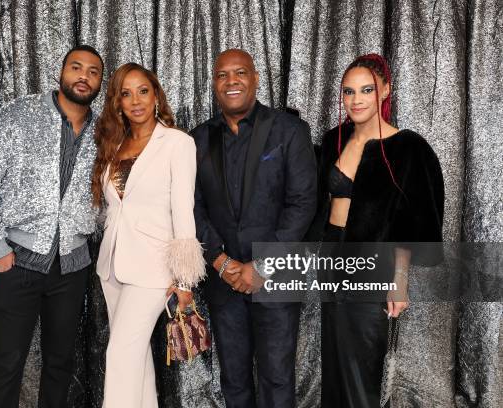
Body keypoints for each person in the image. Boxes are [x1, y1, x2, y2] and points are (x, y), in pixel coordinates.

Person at [0, 45, 104, 407]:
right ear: (61, 72)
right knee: (8, 363)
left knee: (60, 363)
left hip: (72, 266)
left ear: (100, 82)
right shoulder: (20, 114)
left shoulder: (105, 132)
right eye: (76, 67)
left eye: (93, 71)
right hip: (17, 261)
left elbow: (107, 198)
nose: (84, 76)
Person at [308, 53, 445, 407]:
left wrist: (399, 281)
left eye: (366, 89)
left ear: (385, 90)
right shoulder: (334, 139)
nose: (356, 100)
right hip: (331, 262)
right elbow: (319, 205)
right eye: (348, 92)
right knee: (335, 367)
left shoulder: (408, 148)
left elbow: (410, 224)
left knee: (361, 370)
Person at [191, 49, 317, 408]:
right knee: (233, 379)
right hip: (224, 280)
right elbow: (192, 206)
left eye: (240, 72)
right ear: (214, 84)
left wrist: (261, 265)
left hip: (275, 277)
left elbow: (303, 203)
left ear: (256, 78)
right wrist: (221, 262)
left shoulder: (288, 130)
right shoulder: (198, 139)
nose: (232, 81)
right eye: (222, 75)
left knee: (277, 378)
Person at [93, 62, 206, 408]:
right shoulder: (115, 144)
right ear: (118, 103)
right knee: (135, 358)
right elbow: (115, 209)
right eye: (126, 94)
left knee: (120, 354)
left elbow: (182, 212)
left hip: (153, 268)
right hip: (112, 266)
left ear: (155, 94)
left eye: (143, 91)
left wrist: (184, 282)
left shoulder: (177, 143)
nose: (136, 100)